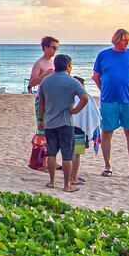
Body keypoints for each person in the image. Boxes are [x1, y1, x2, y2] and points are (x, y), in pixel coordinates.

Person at [92, 29, 129, 179]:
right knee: (107, 132)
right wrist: (104, 90)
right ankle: (107, 166)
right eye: (124, 39)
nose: (127, 42)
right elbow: (96, 76)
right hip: (109, 99)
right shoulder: (103, 55)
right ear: (116, 40)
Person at [36, 54, 88, 192]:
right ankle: (66, 185)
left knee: (51, 153)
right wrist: (76, 110)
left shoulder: (46, 81)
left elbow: (41, 102)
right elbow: (85, 98)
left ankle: (52, 182)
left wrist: (41, 119)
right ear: (68, 66)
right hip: (66, 122)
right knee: (66, 155)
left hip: (50, 122)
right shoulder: (72, 82)